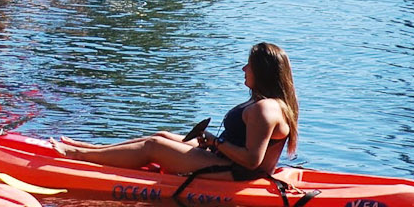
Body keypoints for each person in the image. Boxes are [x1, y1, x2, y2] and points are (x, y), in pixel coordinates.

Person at [53, 42, 300, 179]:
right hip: (225, 161)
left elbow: (251, 160)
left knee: (153, 146)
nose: (244, 68)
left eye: (250, 65)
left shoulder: (265, 109)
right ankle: (93, 150)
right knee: (161, 136)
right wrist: (214, 144)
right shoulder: (270, 103)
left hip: (234, 173)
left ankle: (77, 156)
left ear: (263, 72)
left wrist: (216, 142)